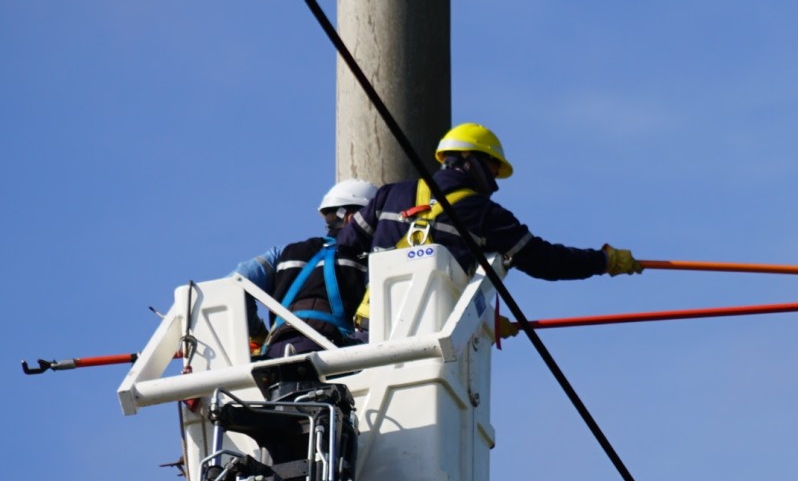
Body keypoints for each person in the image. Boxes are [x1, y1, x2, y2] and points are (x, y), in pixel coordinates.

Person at [337, 123, 643, 312]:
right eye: (494, 170)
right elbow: (546, 260)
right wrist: (603, 261)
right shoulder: (486, 215)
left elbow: (345, 246)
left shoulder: (389, 195)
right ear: (471, 162)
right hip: (433, 332)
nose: (495, 182)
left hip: (371, 328)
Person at [234, 179, 377, 357]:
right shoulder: (368, 260)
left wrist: (258, 333)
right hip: (331, 353)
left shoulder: (283, 253)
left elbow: (236, 281)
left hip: (275, 353)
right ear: (352, 218)